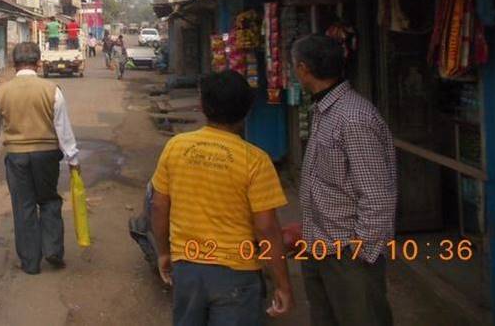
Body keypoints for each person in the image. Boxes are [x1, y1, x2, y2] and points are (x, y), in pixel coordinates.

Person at [151, 70, 293, 325]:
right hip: (238, 274)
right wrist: (282, 284)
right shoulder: (255, 160)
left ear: (202, 106)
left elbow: (159, 205)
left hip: (188, 267)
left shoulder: (176, 147)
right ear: (247, 111)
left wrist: (163, 252)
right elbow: (267, 228)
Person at [292, 35, 396, 326]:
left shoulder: (353, 118)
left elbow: (377, 196)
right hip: (319, 246)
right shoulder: (326, 111)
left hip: (347, 254)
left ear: (302, 69)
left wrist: (358, 251)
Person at [0, 42, 80, 275]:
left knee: (23, 206)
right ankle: (53, 250)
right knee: (49, 200)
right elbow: (62, 127)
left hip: (16, 157)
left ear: (14, 64)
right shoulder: (51, 89)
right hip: (47, 156)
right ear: (38, 63)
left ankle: (30, 263)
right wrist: (73, 159)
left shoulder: (2, 92)